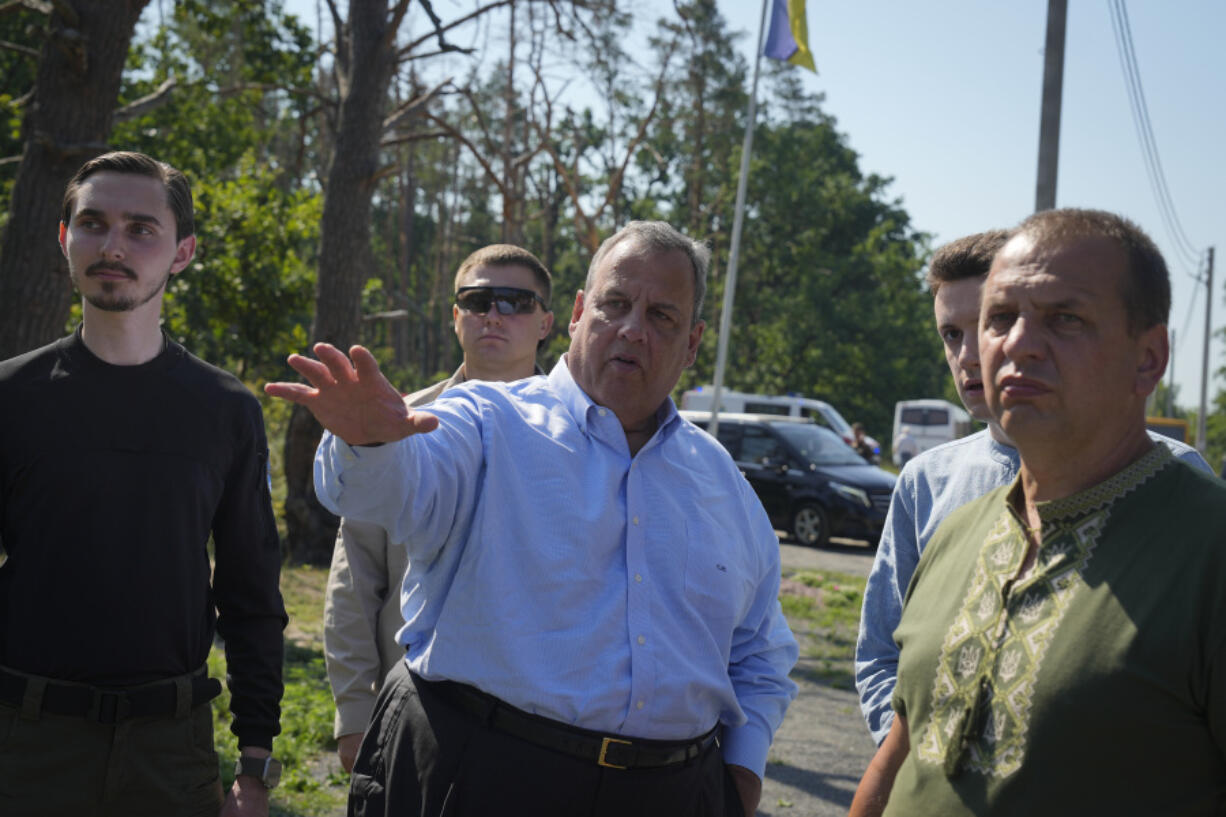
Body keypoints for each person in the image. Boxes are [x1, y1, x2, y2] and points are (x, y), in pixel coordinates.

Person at [267, 220, 798, 817]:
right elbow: (389, 488)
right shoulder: (484, 420)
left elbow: (760, 648)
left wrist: (741, 775)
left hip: (673, 791)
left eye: (661, 316)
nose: (631, 329)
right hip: (481, 776)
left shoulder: (722, 481)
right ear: (576, 313)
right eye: (615, 304)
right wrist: (367, 445)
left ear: (694, 342)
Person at [849, 209, 1226, 816]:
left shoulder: (1208, 548)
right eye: (999, 319)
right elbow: (901, 748)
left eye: (1065, 319)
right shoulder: (955, 530)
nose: (1012, 344)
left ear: (1149, 358)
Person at [0, 151, 286, 817]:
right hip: (25, 743)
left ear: (182, 252)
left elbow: (250, 596)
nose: (114, 245)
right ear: (65, 239)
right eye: (94, 223)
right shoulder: (11, 397)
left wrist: (254, 764)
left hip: (172, 751)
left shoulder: (226, 408)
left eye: (141, 228)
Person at [324, 244, 555, 772]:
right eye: (477, 300)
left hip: (543, 729)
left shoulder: (586, 435)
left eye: (516, 302)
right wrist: (356, 715)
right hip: (413, 716)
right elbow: (354, 581)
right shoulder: (394, 425)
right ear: (456, 317)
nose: (494, 315)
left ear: (545, 322)